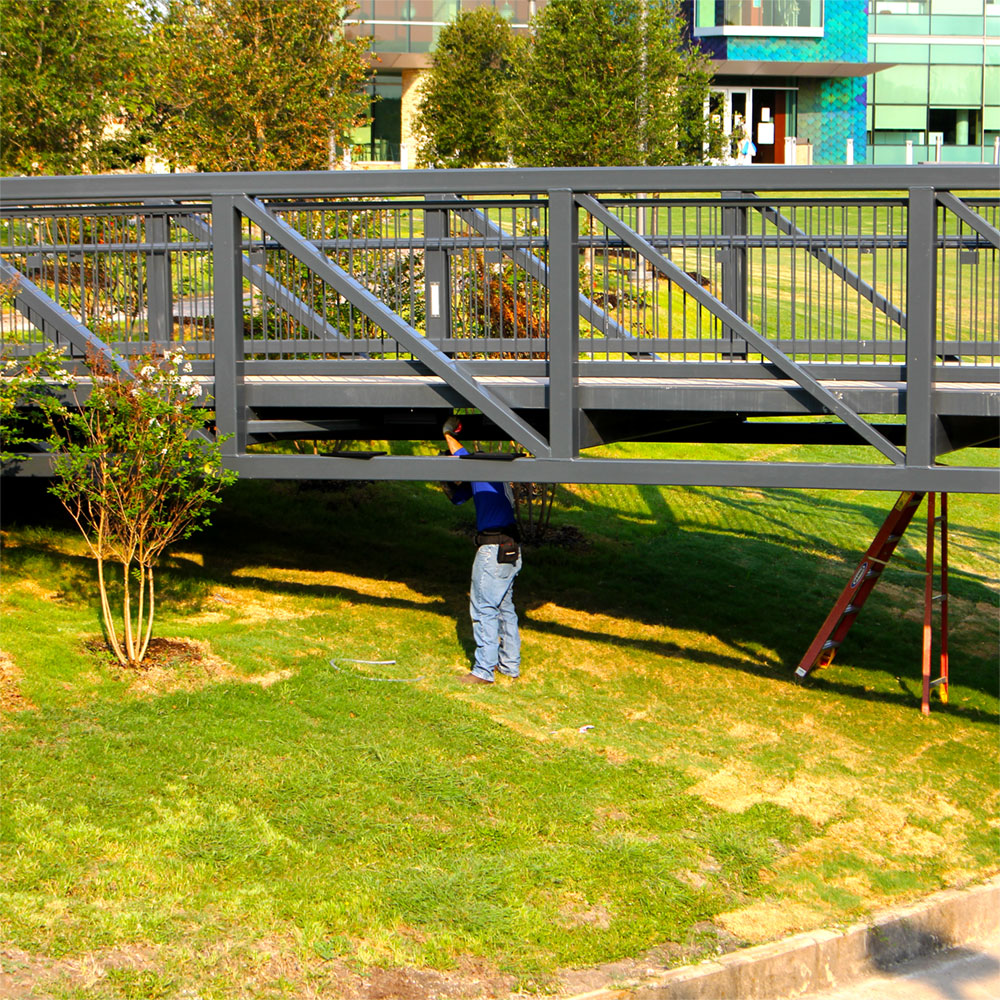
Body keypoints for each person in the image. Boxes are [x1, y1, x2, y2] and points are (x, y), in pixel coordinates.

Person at [442, 415, 522, 685]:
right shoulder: (494, 478)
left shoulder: (477, 467)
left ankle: (483, 671)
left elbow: (459, 455)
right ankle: (509, 666)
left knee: (484, 609)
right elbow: (458, 497)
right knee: (505, 608)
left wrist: (448, 431)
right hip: (512, 549)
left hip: (491, 550)